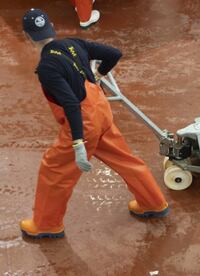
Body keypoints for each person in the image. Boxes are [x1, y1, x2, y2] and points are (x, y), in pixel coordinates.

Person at [20, 8, 169, 239]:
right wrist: (99, 73)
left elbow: (70, 103)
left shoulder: (47, 67)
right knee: (127, 161)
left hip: (83, 124)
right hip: (101, 113)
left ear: (27, 36)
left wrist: (78, 143)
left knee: (53, 171)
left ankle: (46, 225)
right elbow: (113, 53)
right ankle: (153, 203)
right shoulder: (72, 43)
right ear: (51, 26)